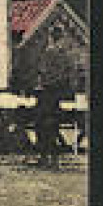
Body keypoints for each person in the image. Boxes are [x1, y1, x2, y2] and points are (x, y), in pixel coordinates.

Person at [33, 25, 75, 167]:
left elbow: (42, 73)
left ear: (51, 37)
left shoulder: (49, 53)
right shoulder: (65, 55)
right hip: (58, 95)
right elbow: (69, 75)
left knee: (42, 125)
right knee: (53, 126)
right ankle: (54, 158)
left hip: (47, 94)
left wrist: (41, 85)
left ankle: (45, 157)